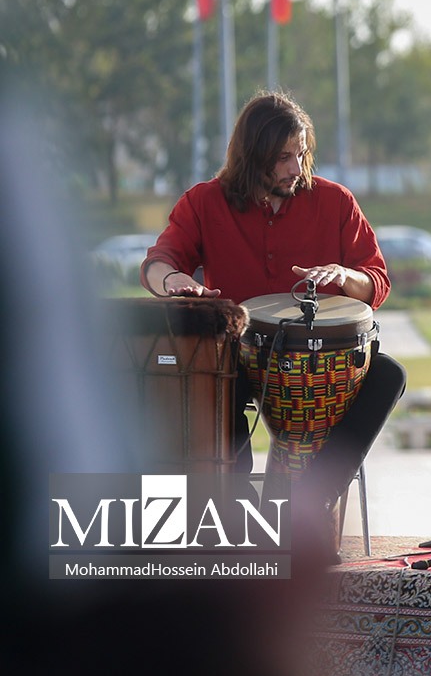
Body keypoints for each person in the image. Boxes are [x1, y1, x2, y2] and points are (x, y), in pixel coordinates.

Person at [139, 90, 406, 546]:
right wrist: (175, 281)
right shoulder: (204, 202)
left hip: (319, 362)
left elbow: (377, 282)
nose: (296, 167)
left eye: (301, 154)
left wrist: (346, 275)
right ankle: (240, 519)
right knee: (205, 385)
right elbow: (157, 263)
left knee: (389, 375)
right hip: (238, 356)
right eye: (283, 157)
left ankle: (309, 505)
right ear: (251, 156)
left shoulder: (336, 201)